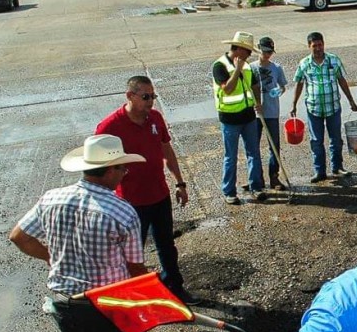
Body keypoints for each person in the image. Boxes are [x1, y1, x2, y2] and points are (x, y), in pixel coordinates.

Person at [8, 134, 211, 332]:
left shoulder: (51, 198)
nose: (125, 174)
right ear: (108, 170)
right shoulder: (122, 211)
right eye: (122, 169)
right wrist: (159, 300)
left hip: (63, 302)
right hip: (105, 303)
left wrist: (52, 257)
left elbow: (19, 237)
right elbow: (134, 269)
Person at [95, 76, 199, 305]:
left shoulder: (155, 118)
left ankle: (174, 286)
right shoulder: (110, 127)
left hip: (159, 196)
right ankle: (132, 296)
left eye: (153, 96)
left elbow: (166, 150)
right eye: (145, 97)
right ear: (130, 96)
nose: (151, 102)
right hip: (129, 203)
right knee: (131, 253)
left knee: (166, 246)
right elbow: (97, 168)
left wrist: (180, 183)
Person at [291, 32, 357, 183]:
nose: (318, 48)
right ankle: (319, 171)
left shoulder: (333, 60)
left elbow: (342, 81)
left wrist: (351, 101)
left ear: (324, 44)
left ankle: (337, 167)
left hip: (333, 107)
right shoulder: (304, 64)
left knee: (335, 139)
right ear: (309, 46)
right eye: (314, 46)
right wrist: (294, 104)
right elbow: (299, 84)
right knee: (316, 141)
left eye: (320, 45)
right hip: (313, 109)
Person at [212, 30, 265, 205]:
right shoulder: (219, 66)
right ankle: (229, 191)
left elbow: (255, 85)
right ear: (239, 49)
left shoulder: (249, 66)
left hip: (249, 117)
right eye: (248, 51)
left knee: (254, 153)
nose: (250, 55)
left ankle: (256, 187)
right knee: (231, 156)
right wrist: (237, 70)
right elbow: (227, 88)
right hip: (229, 120)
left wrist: (258, 102)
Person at [250, 36, 288, 191]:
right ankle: (255, 178)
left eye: (270, 52)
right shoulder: (250, 67)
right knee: (253, 147)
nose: (267, 55)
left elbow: (283, 86)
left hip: (271, 112)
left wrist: (278, 91)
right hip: (255, 114)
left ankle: (274, 177)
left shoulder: (276, 68)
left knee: (274, 146)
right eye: (265, 51)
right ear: (259, 49)